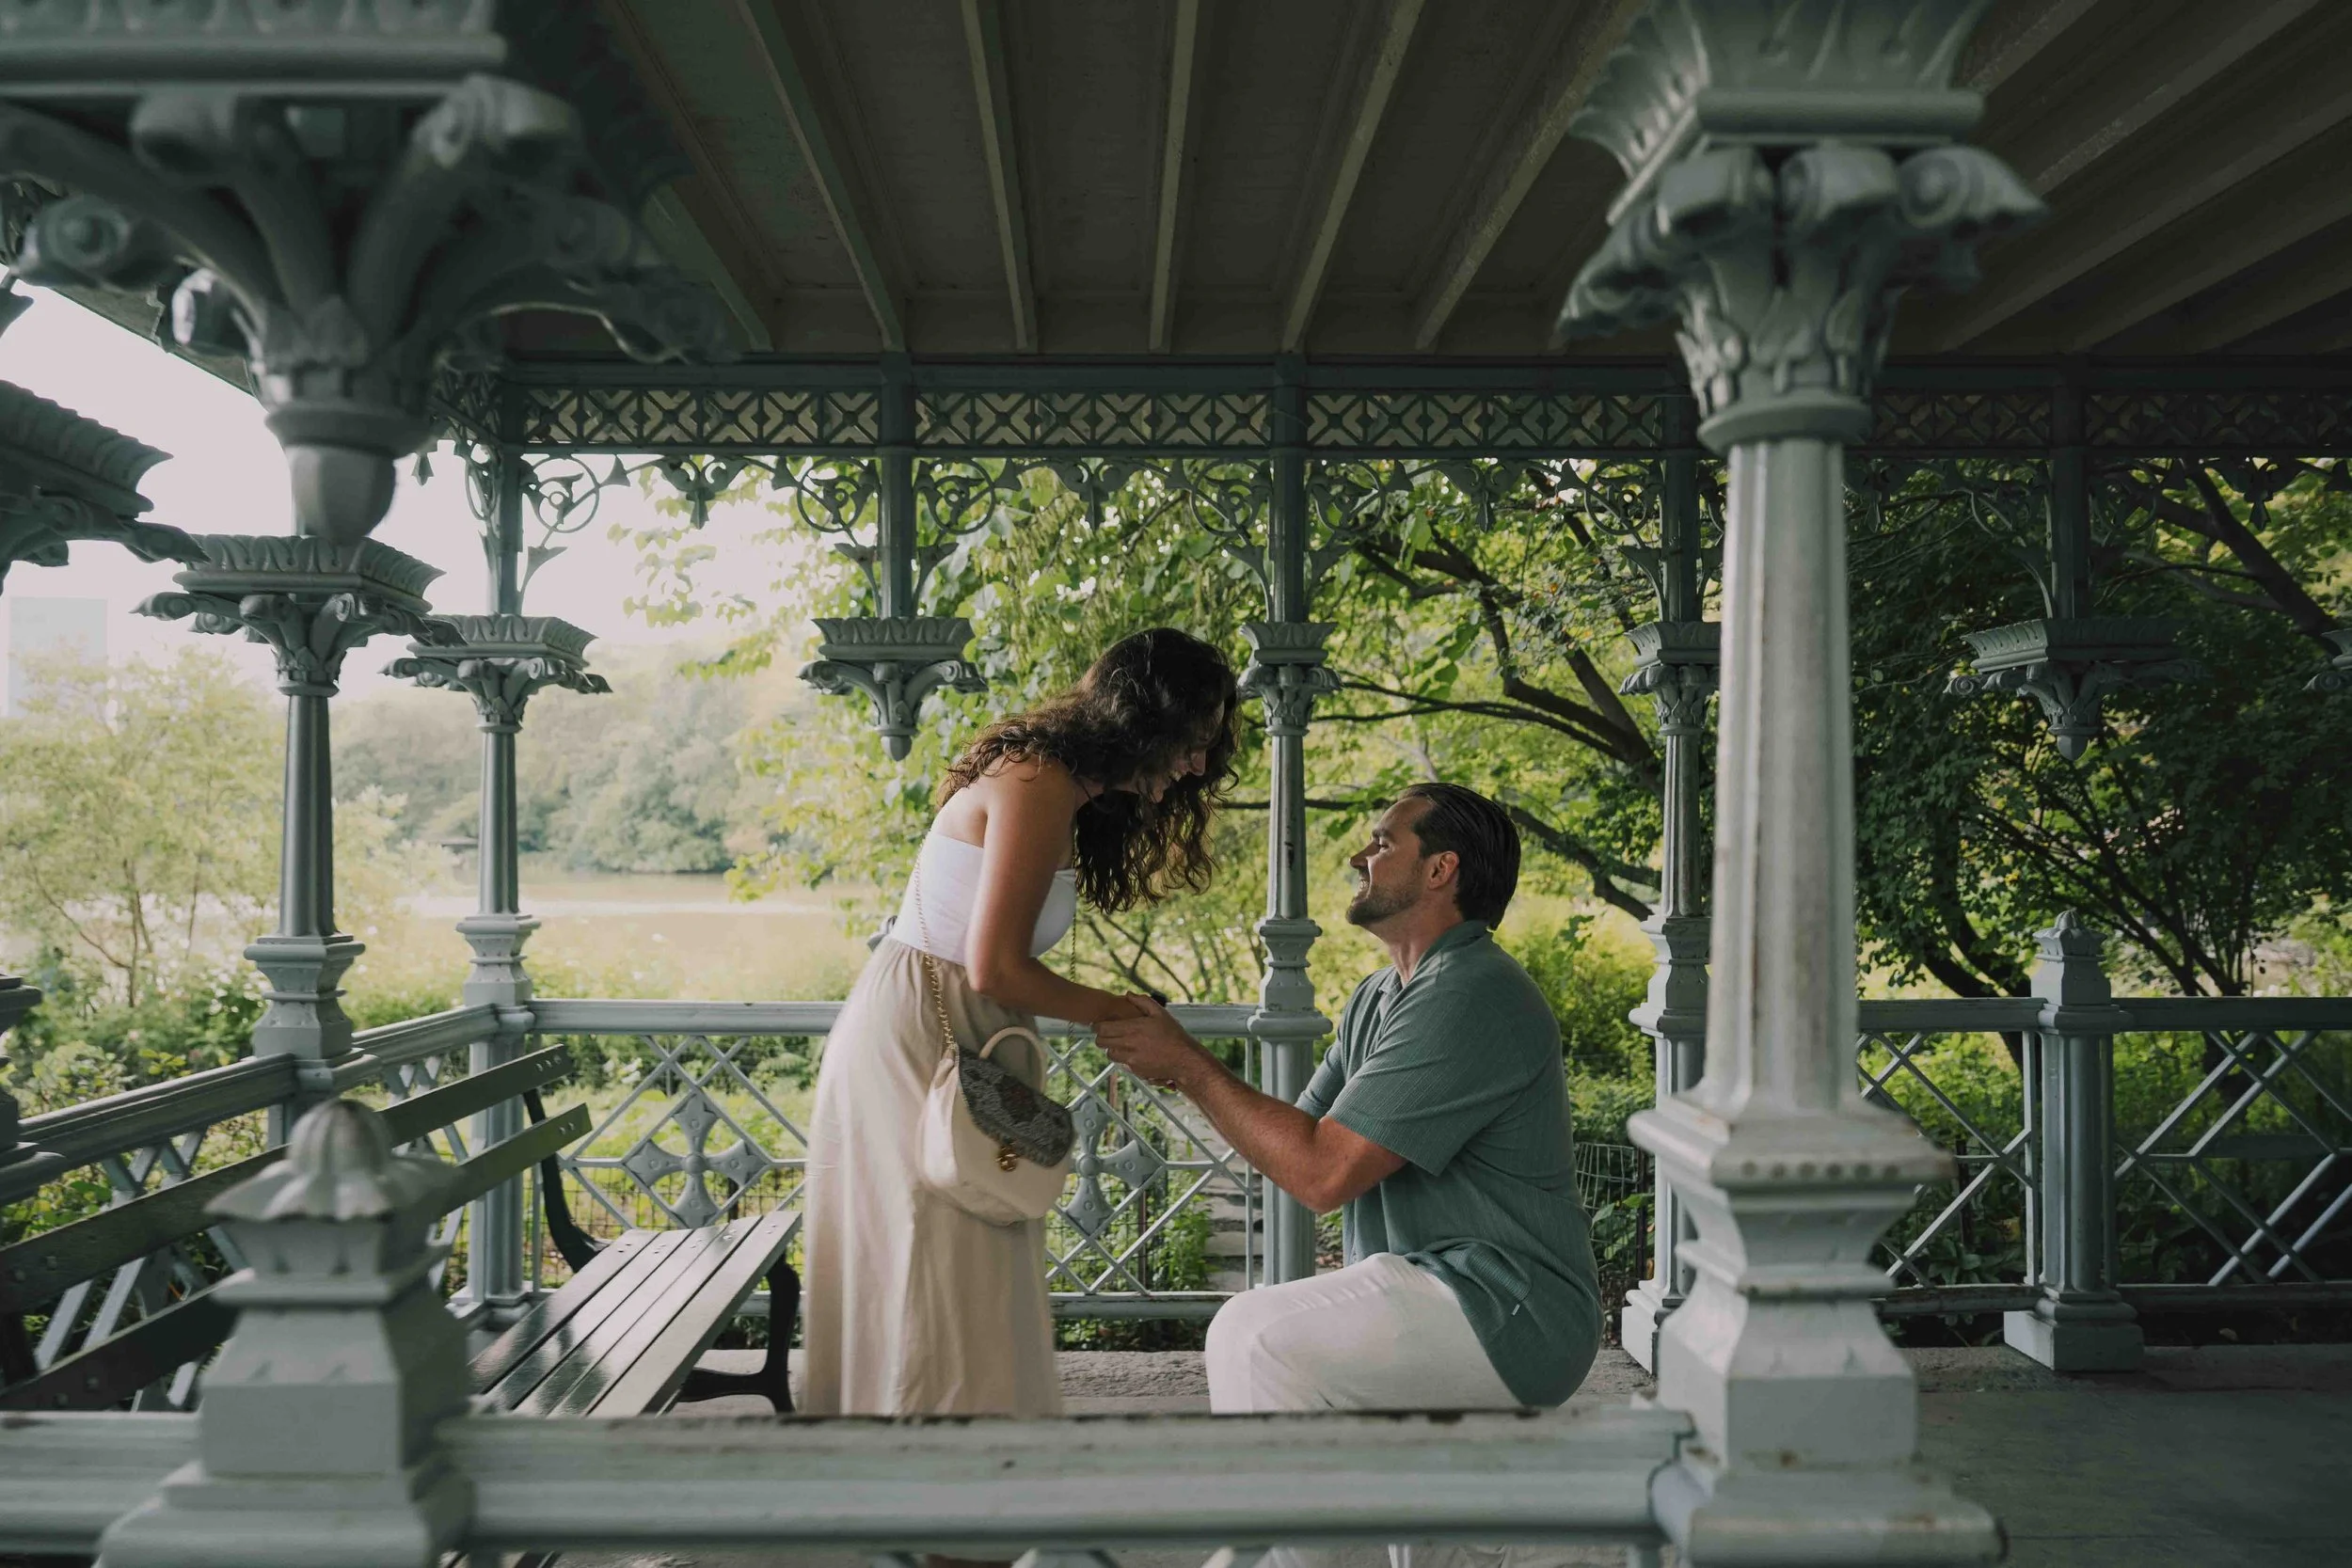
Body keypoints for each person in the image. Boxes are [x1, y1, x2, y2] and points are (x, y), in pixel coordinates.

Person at [800, 626, 1239, 1420]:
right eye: (1193, 740)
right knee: (939, 1273)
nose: (1200, 764)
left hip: (954, 1022)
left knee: (960, 1273)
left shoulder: (1060, 786)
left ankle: (957, 1496)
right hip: (924, 1032)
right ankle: (938, 1503)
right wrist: (1123, 1012)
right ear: (1142, 720)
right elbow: (996, 967)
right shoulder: (1037, 780)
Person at [1097, 783, 1601, 1437]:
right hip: (1435, 1292)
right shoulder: (1380, 996)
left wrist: (1191, 1064)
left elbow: (1322, 1172)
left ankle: (1272, 1544)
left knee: (1255, 1336)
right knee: (1428, 1534)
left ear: (1440, 870)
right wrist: (1176, 1063)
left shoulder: (1471, 993)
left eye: (1384, 841)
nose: (1360, 855)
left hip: (1504, 1304)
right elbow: (1292, 1140)